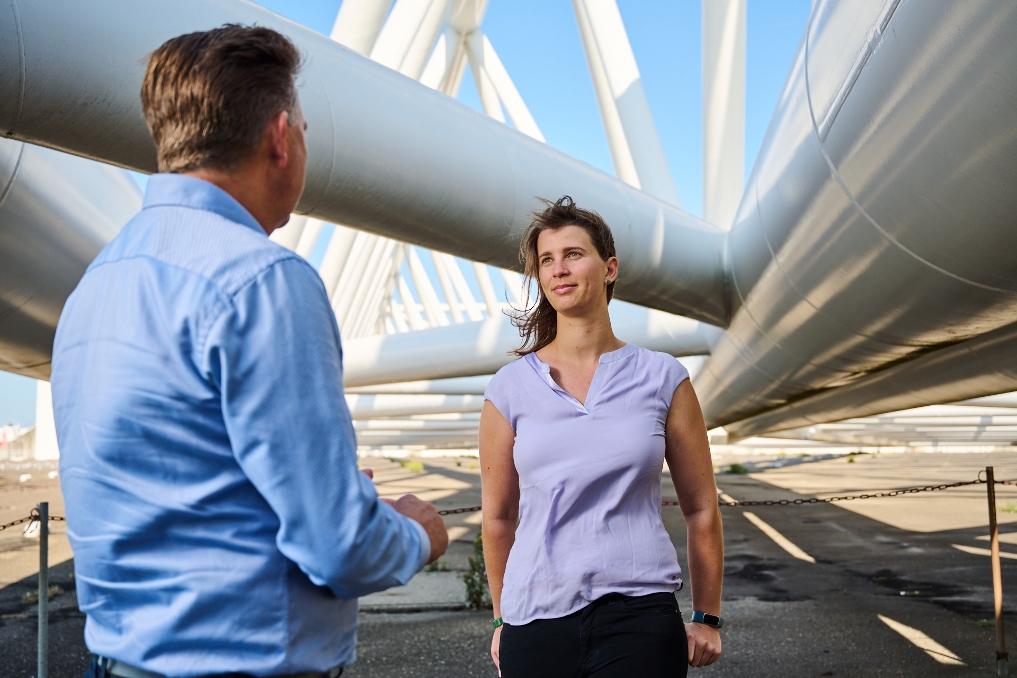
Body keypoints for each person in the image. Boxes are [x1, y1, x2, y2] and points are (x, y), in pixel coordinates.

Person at [51, 25, 448, 678]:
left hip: (118, 661)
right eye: (305, 129)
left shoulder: (98, 282)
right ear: (278, 137)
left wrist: (327, 494)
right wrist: (413, 534)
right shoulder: (263, 282)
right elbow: (338, 546)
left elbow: (173, 489)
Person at [479, 196, 724, 677]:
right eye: (546, 260)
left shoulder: (662, 378)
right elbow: (499, 519)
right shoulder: (509, 389)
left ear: (609, 268)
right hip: (536, 616)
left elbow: (701, 507)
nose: (558, 270)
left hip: (639, 616)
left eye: (573, 254)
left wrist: (707, 617)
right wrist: (501, 618)